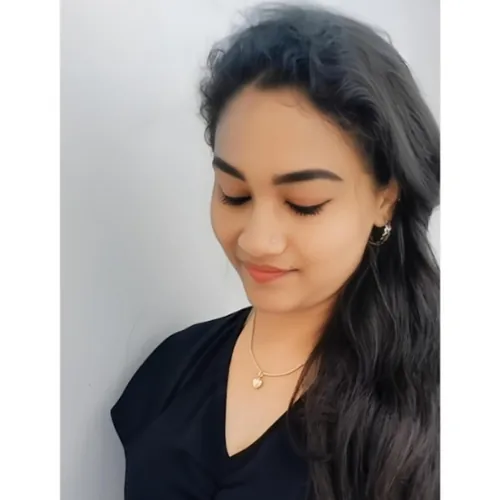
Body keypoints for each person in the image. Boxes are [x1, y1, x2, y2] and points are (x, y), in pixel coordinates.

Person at [110, 3, 440, 500]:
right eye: (234, 194)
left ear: (385, 199)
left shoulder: (436, 412)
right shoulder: (169, 372)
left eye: (304, 203)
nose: (256, 240)